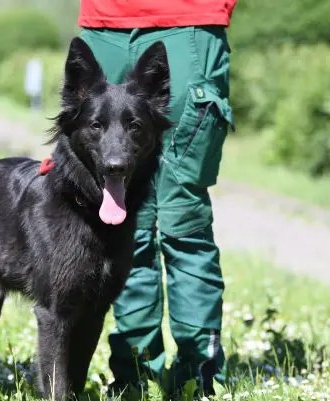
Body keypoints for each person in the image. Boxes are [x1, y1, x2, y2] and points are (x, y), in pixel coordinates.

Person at [77, 0, 237, 398]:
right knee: (122, 223)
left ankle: (196, 377)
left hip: (187, 26)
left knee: (183, 220)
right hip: (102, 29)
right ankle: (135, 375)